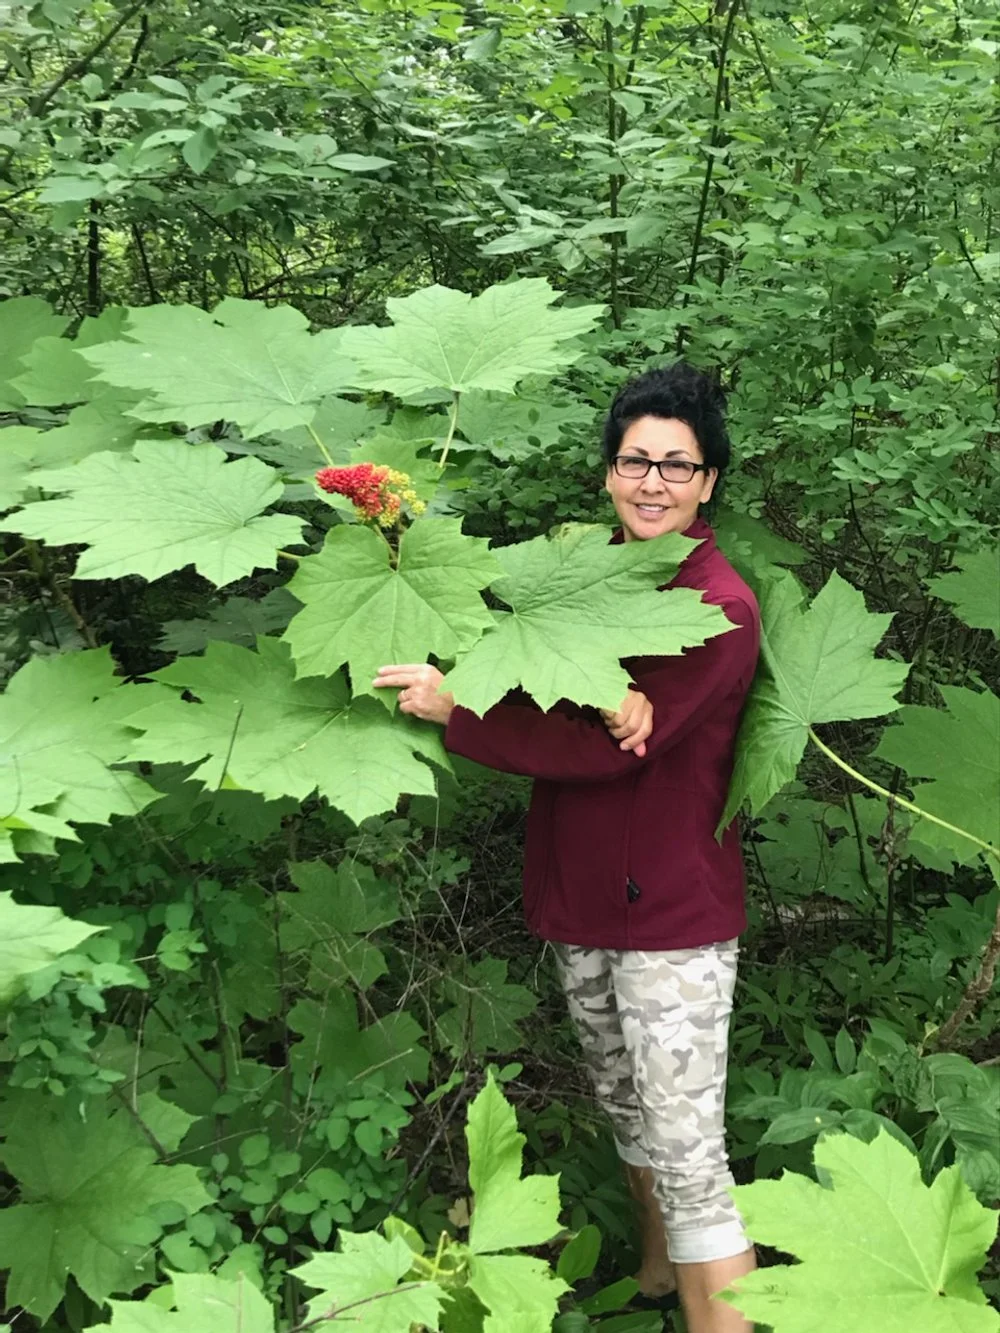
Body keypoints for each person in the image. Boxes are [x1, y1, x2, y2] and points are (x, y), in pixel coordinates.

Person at [374, 363, 760, 1333]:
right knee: (627, 1113)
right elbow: (532, 661)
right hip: (581, 899)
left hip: (669, 920)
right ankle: (659, 1276)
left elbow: (606, 747)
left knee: (688, 1155)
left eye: (678, 464)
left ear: (710, 480)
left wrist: (456, 707)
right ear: (606, 472)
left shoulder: (720, 605)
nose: (654, 482)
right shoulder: (579, 577)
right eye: (636, 460)